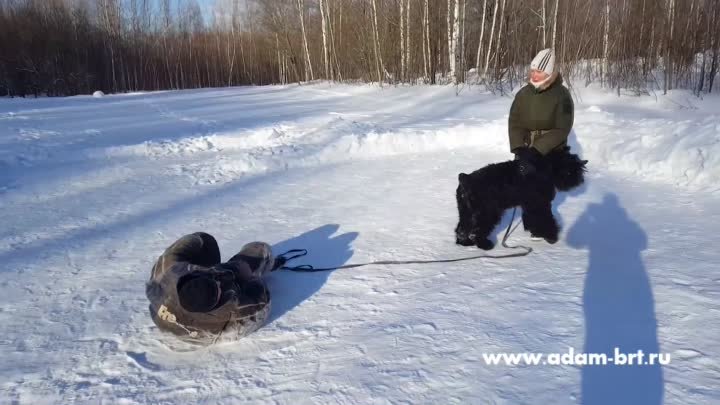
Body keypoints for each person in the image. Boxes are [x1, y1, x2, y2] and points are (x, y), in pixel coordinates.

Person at [146, 232, 285, 342]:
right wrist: (249, 278)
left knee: (203, 240)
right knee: (259, 249)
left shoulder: (169, 273)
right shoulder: (234, 310)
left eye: (212, 279)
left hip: (160, 318)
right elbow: (262, 301)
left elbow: (188, 244)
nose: (220, 282)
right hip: (204, 334)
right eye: (219, 289)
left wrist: (216, 271)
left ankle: (212, 277)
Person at [508, 48, 575, 244]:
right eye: (533, 70)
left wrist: (538, 149)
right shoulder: (523, 94)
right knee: (525, 187)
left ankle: (543, 226)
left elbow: (562, 128)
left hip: (549, 151)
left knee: (542, 191)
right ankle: (530, 221)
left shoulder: (561, 95)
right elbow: (515, 122)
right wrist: (519, 148)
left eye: (539, 71)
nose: (534, 74)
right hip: (526, 148)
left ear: (550, 73)